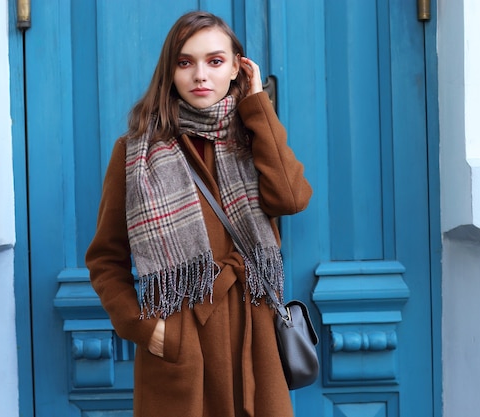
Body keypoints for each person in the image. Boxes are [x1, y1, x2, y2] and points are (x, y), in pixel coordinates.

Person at [85, 10, 312, 417]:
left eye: (215, 61)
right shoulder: (136, 153)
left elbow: (292, 198)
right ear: (170, 71)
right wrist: (147, 330)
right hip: (183, 346)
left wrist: (257, 105)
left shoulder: (254, 139)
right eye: (185, 62)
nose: (200, 75)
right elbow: (105, 259)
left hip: (254, 339)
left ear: (236, 70)